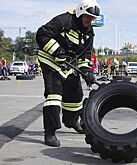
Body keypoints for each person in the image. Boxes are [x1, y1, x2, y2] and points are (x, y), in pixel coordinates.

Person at [36, 0, 100, 147]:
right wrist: (57, 51)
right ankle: (50, 132)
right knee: (54, 95)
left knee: (76, 95)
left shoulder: (89, 32)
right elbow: (42, 33)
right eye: (87, 16)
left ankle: (71, 121)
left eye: (92, 18)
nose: (89, 20)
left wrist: (86, 70)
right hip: (50, 61)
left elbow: (86, 55)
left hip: (68, 64)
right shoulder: (64, 20)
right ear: (80, 12)